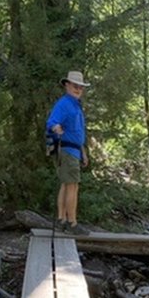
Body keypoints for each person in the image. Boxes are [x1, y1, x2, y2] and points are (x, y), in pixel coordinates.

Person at [46, 70, 90, 235]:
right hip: (66, 150)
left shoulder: (75, 105)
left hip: (74, 150)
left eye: (81, 86)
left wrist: (83, 152)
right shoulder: (64, 103)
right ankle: (72, 223)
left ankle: (62, 220)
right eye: (75, 85)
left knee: (66, 184)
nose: (78, 89)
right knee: (73, 186)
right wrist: (56, 128)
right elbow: (52, 121)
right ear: (67, 85)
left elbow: (78, 133)